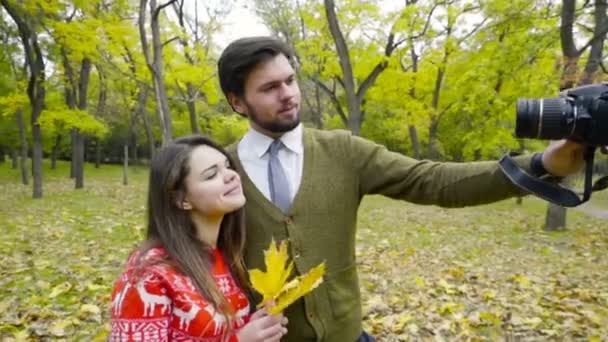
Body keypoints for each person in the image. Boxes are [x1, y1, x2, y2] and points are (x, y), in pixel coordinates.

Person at [217, 36, 594, 342]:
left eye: (290, 80)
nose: (288, 94)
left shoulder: (343, 152)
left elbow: (434, 181)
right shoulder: (216, 170)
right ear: (237, 102)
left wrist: (540, 166)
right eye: (269, 88)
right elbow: (181, 271)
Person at [109, 135, 287, 341]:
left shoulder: (228, 257)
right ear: (181, 199)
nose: (231, 176)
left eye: (227, 166)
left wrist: (258, 327)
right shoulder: (149, 274)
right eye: (211, 175)